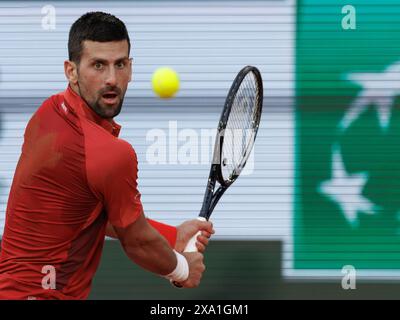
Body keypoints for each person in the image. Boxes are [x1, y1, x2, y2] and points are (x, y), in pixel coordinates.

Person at [0, 11, 214, 300]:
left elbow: (89, 211)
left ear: (131, 68)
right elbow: (136, 241)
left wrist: (173, 237)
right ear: (71, 71)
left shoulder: (48, 113)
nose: (111, 79)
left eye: (120, 64)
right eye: (98, 65)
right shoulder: (108, 153)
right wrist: (182, 270)